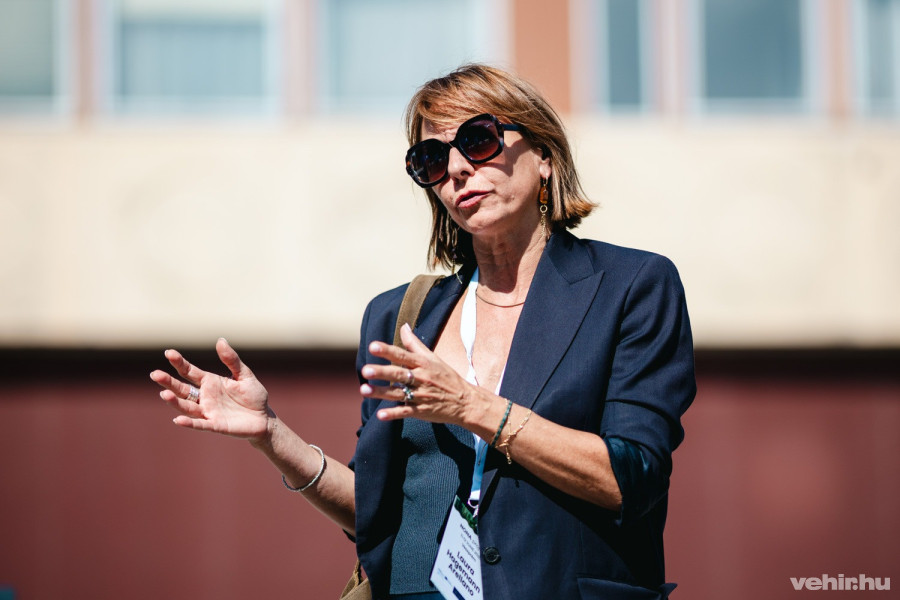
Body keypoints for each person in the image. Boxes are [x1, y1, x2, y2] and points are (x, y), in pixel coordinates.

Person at [150, 63, 695, 600]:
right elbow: (377, 512)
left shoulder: (632, 286)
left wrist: (472, 407)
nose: (456, 169)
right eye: (432, 158)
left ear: (544, 156)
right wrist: (272, 435)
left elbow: (632, 479)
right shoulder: (399, 316)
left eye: (478, 140)